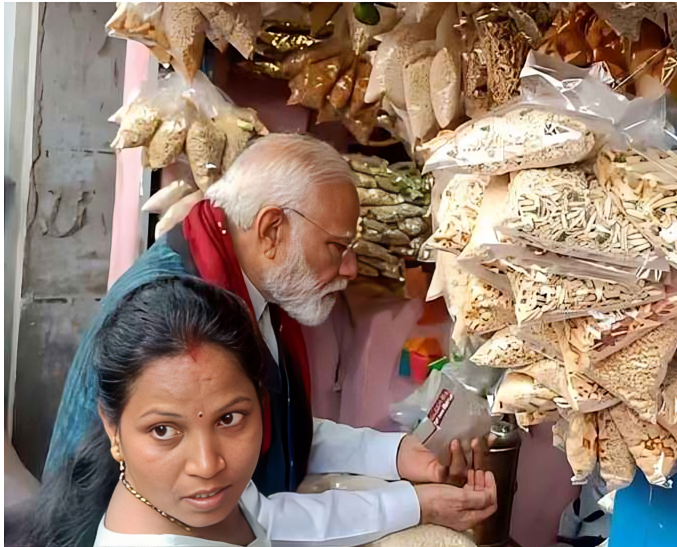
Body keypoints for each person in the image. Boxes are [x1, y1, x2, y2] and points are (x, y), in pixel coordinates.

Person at [45, 134, 492, 545]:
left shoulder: (239, 286)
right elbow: (250, 513)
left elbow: (274, 425)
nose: (351, 268)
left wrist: (395, 454)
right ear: (272, 230)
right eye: (337, 246)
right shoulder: (184, 318)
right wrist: (414, 503)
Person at [26, 278, 497, 547]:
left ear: (262, 403)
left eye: (230, 419)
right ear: (113, 429)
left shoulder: (190, 500)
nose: (207, 464)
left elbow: (271, 521)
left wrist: (417, 498)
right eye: (164, 430)